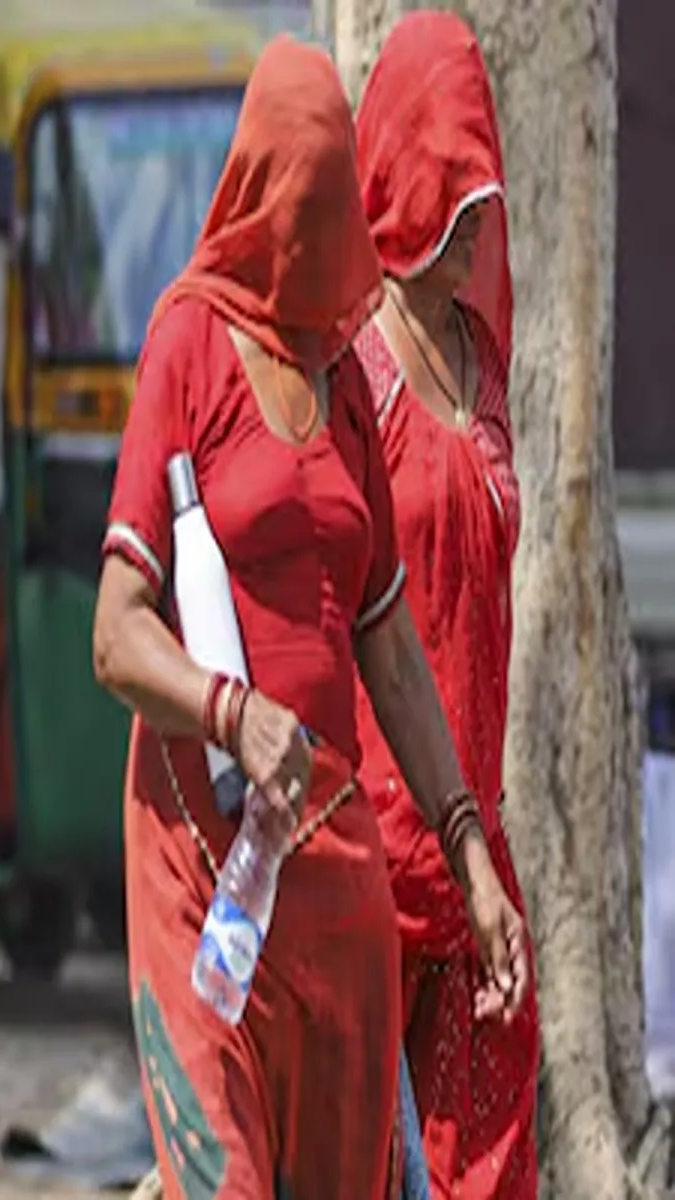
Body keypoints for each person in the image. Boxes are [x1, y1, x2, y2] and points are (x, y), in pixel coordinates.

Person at [92, 38, 530, 1199]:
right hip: (201, 856)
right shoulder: (187, 345)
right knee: (224, 1179)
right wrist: (230, 713)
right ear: (267, 199)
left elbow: (388, 643)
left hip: (330, 870)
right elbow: (117, 633)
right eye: (319, 212)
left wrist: (469, 848)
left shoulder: (341, 378)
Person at [352, 12, 541, 1196]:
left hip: (475, 859)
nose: (478, 234)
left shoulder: (486, 357)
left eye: (485, 209)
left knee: (484, 1168)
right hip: (366, 867)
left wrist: (477, 850)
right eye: (455, 203)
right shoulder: (348, 371)